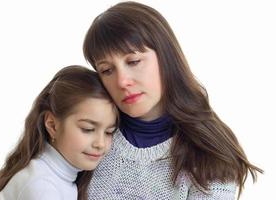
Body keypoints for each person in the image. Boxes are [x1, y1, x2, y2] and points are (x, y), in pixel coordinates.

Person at [83, 1, 263, 199]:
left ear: (166, 56)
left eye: (133, 61)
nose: (122, 81)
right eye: (107, 70)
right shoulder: (86, 137)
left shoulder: (209, 155)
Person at [0, 65, 118, 200]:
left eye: (109, 132)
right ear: (52, 125)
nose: (100, 143)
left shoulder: (59, 177)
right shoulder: (41, 185)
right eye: (87, 129)